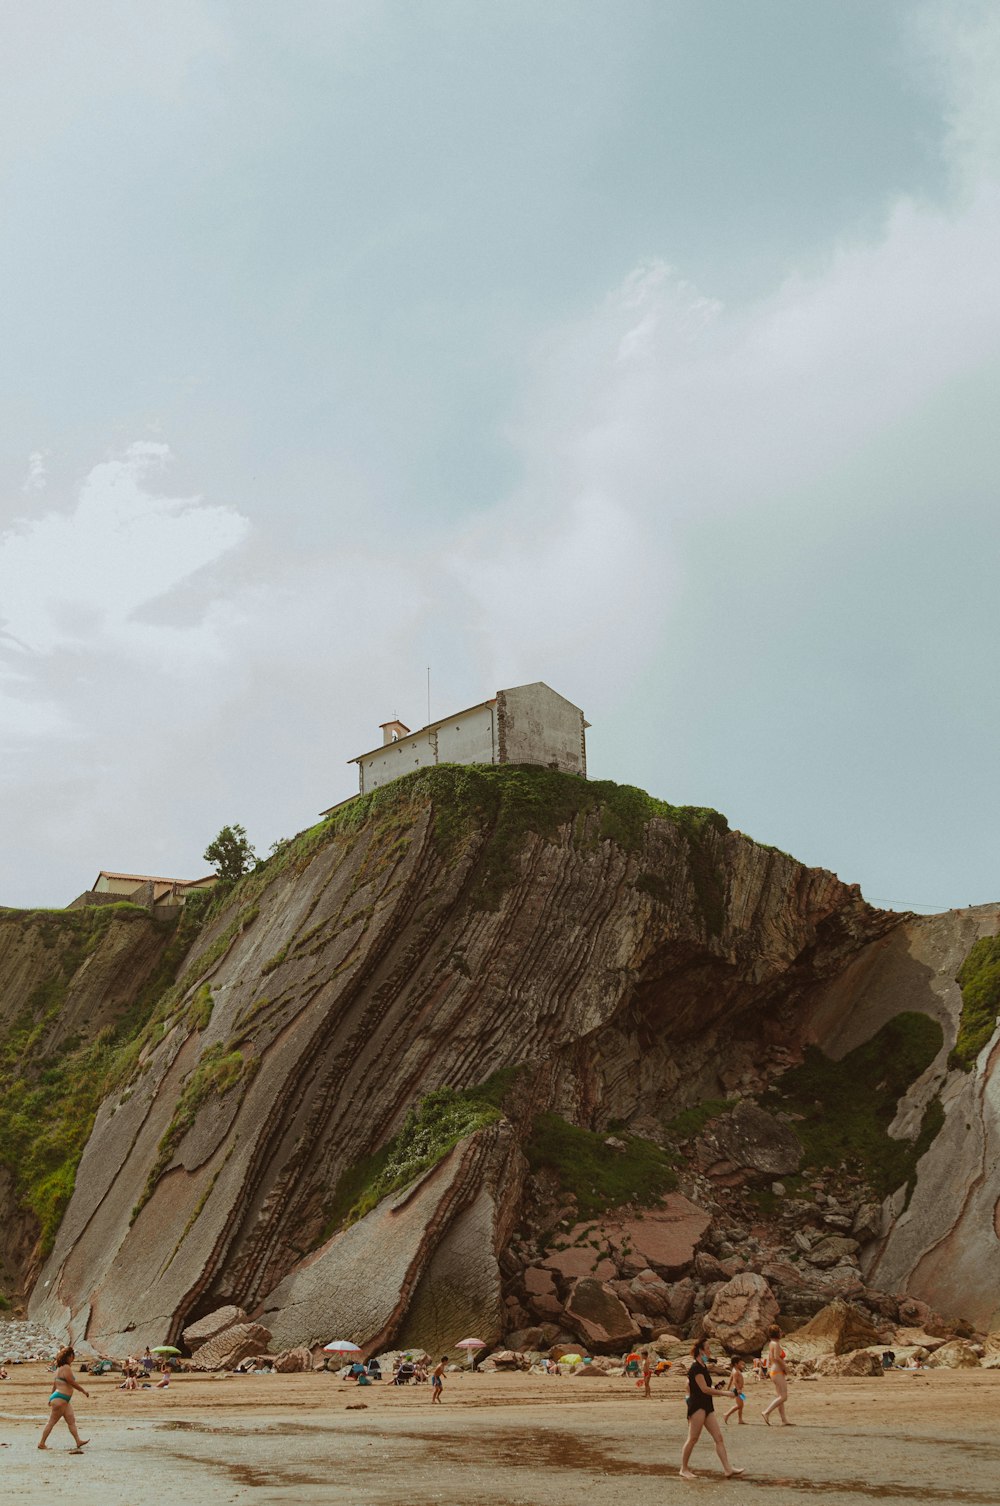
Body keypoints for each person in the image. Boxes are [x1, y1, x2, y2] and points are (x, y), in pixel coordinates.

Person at [679, 1340, 744, 1481]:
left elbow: (707, 1387)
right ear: (701, 1351)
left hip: (707, 1406)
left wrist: (717, 1387)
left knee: (718, 1438)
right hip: (697, 1406)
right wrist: (726, 1394)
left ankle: (727, 1469)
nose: (710, 1351)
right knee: (693, 1438)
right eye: (708, 1348)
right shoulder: (695, 1368)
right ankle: (683, 1469)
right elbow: (704, 1389)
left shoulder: (703, 1367)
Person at [38, 1346, 90, 1452]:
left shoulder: (58, 1369)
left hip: (62, 1399)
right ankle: (41, 1443)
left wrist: (50, 1397)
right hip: (60, 1398)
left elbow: (55, 1385)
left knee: (71, 1420)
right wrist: (83, 1391)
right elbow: (72, 1382)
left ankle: (78, 1441)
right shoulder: (66, 1367)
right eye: (72, 1356)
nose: (73, 1359)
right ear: (69, 1356)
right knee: (52, 1422)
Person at [762, 1325, 792, 1426]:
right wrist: (785, 1367)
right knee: (784, 1396)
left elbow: (771, 1358)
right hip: (777, 1371)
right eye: (780, 1331)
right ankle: (766, 1412)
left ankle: (784, 1420)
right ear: (777, 1333)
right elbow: (777, 1358)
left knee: (780, 1397)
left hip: (774, 1371)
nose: (781, 1332)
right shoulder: (776, 1344)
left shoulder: (771, 1343)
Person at [723, 1357, 746, 1424]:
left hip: (738, 1390)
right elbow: (734, 1382)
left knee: (741, 1405)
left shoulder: (734, 1370)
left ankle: (740, 1420)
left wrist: (728, 1388)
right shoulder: (736, 1372)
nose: (741, 1364)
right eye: (740, 1363)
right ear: (736, 1364)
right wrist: (738, 1389)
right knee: (739, 1405)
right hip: (737, 1390)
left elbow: (730, 1379)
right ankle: (727, 1414)